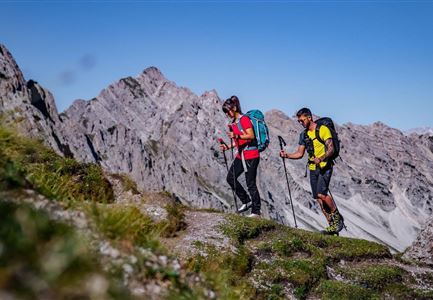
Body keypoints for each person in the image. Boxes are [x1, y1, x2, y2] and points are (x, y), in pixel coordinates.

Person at [280, 107, 344, 234]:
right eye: (299, 121)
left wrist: (321, 158)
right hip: (312, 168)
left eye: (302, 120)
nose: (300, 123)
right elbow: (299, 153)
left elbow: (330, 149)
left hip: (325, 166)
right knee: (319, 199)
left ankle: (338, 219)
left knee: (322, 194)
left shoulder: (323, 130)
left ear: (309, 117)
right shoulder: (303, 135)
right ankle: (331, 227)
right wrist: (287, 155)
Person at [220, 96, 261, 217]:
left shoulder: (244, 120)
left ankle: (256, 211)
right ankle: (246, 201)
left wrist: (236, 136)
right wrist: (228, 147)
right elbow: (239, 140)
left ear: (234, 108)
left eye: (228, 112)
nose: (227, 114)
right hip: (242, 154)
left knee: (250, 183)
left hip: (251, 155)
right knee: (230, 177)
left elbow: (251, 136)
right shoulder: (235, 123)